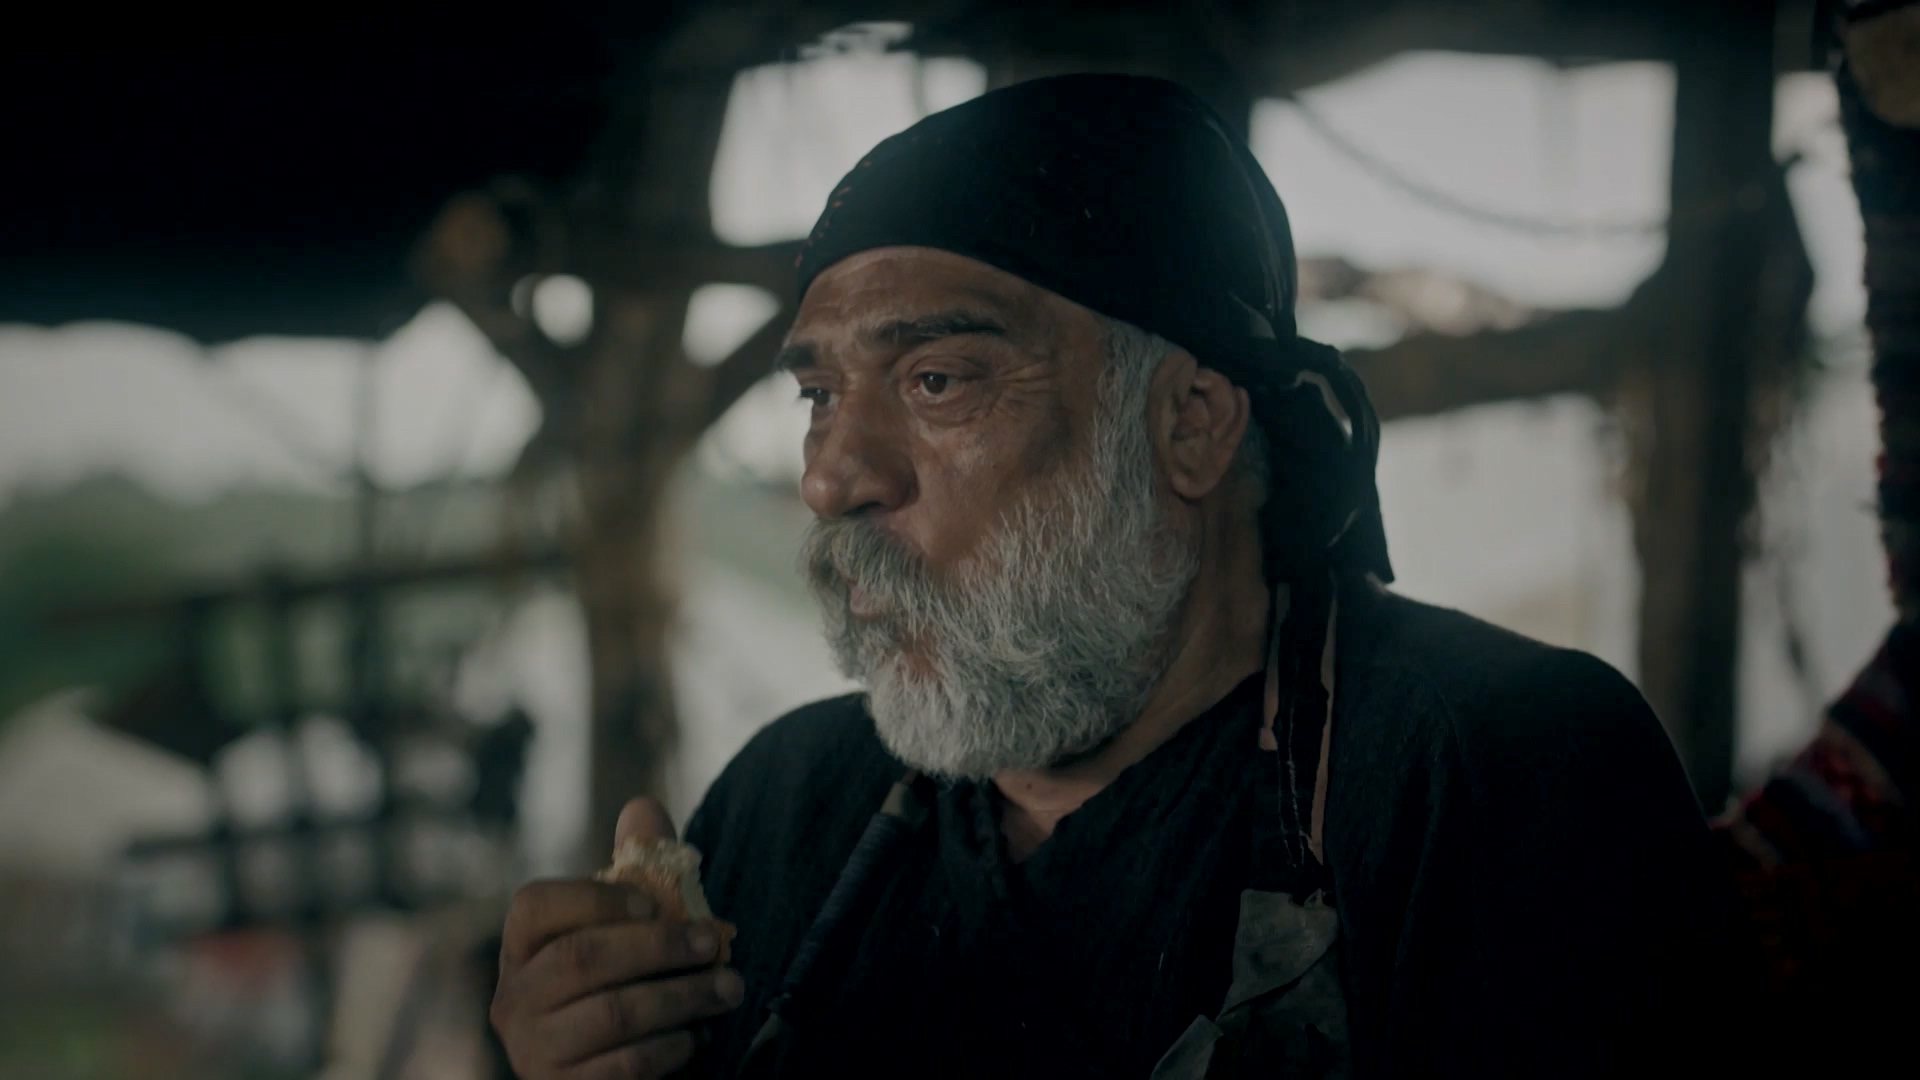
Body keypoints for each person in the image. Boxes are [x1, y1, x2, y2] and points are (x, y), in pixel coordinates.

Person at [488, 74, 1750, 1079]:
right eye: (819, 394)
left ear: (1190, 424)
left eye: (937, 380)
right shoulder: (786, 807)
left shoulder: (1496, 778)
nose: (831, 477)